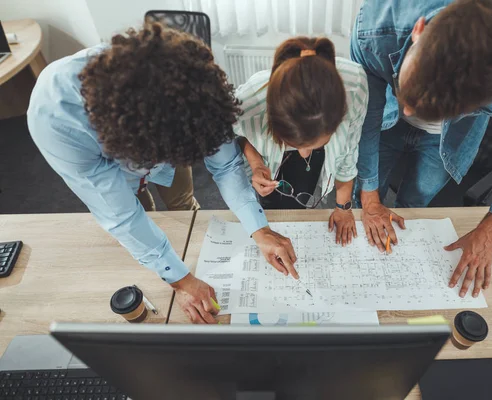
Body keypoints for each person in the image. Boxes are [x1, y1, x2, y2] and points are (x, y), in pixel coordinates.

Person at [27, 23, 297, 324]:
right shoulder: (56, 118)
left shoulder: (191, 86)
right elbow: (123, 217)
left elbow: (226, 165)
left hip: (163, 139)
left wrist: (259, 229)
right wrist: (180, 281)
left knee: (182, 206)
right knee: (141, 212)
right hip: (111, 167)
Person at [351, 0, 492, 297]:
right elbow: (365, 119)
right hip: (384, 120)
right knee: (367, 196)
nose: (409, 111)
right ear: (419, 30)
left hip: (446, 142)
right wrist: (370, 197)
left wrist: (491, 229)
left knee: (418, 200)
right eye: (408, 94)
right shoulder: (374, 27)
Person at [234, 37, 372, 246]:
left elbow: (349, 151)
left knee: (308, 201)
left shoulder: (355, 86)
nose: (305, 153)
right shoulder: (249, 100)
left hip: (310, 183)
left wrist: (343, 207)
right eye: (295, 144)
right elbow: (231, 134)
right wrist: (256, 164)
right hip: (265, 172)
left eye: (316, 145)